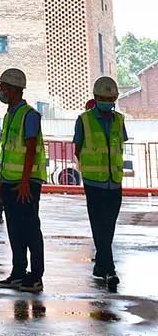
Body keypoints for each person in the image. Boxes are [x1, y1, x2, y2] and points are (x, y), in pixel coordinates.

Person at [0, 67, 46, 293]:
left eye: (3, 88)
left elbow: (31, 149)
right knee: (15, 230)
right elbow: (6, 151)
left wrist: (25, 181)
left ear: (13, 90)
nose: (1, 92)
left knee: (30, 229)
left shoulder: (30, 115)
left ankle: (35, 276)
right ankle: (18, 273)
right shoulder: (9, 116)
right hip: (9, 182)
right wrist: (0, 181)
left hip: (26, 183)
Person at [75, 76, 127, 293]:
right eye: (103, 98)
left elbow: (119, 144)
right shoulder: (84, 120)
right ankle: (110, 270)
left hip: (114, 182)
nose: (107, 101)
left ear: (115, 98)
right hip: (94, 183)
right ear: (95, 98)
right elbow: (78, 149)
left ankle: (100, 265)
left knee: (109, 226)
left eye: (111, 98)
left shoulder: (119, 120)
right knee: (99, 226)